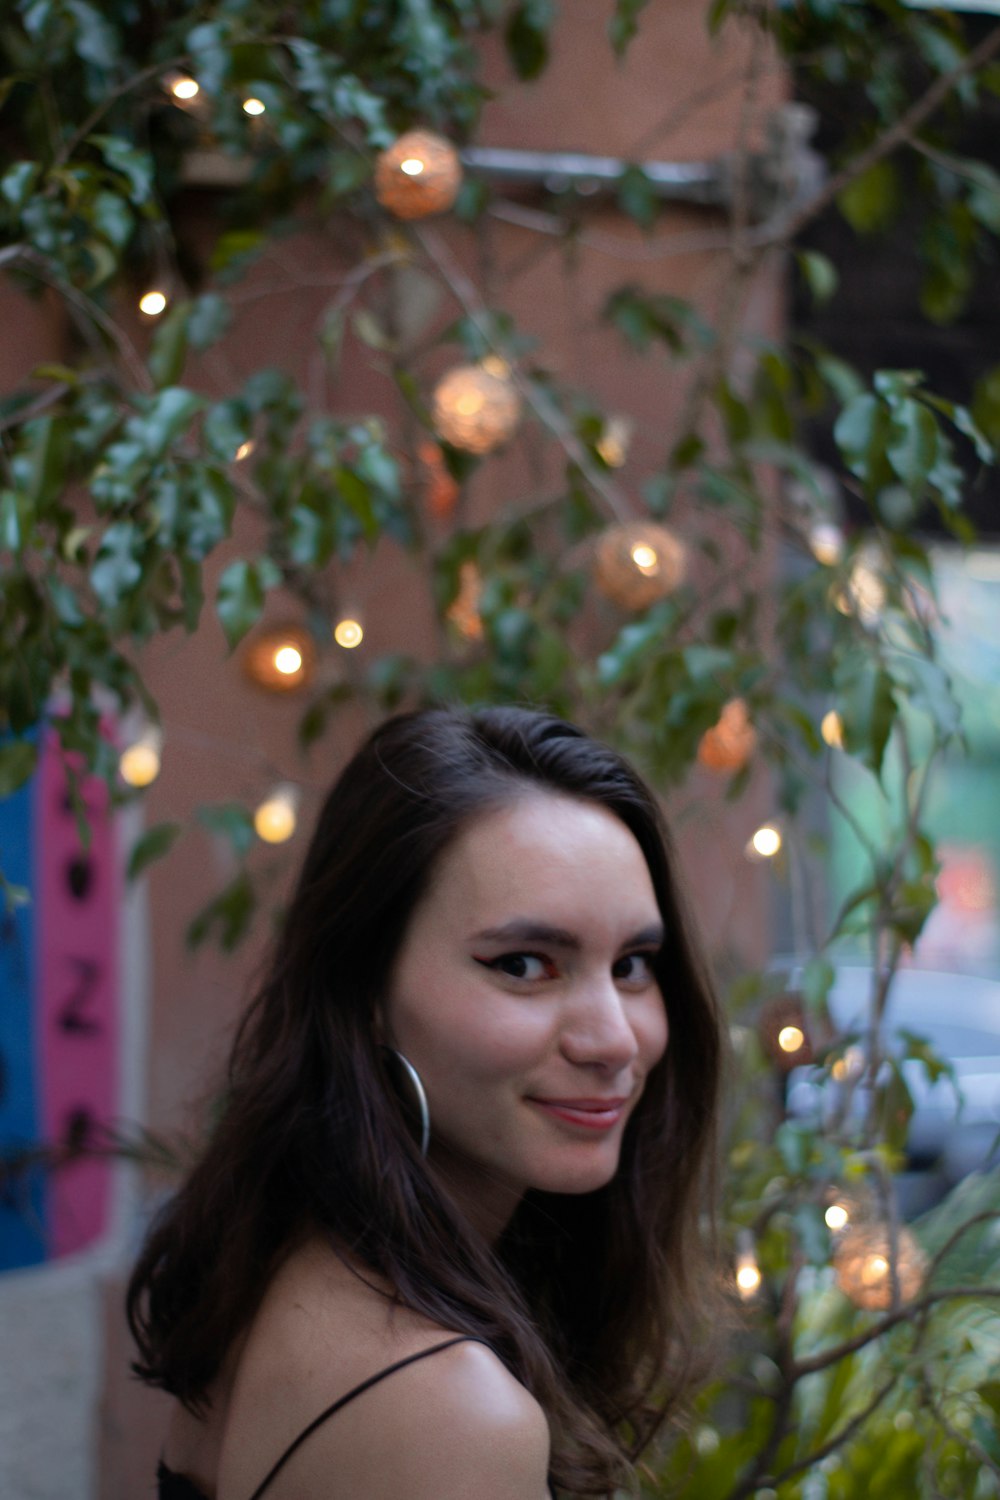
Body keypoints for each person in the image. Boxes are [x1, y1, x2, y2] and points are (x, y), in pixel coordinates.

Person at [128, 705, 724, 1499]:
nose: (614, 1039)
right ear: (365, 986)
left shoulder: (290, 1260)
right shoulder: (445, 1411)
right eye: (523, 965)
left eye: (633, 964)